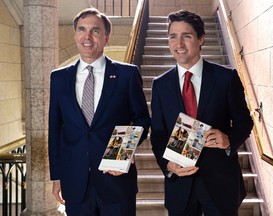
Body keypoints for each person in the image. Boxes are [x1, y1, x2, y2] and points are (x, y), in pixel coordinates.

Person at [48, 7, 150, 216]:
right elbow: (55, 129)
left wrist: (122, 152)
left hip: (116, 180)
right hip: (75, 182)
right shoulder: (59, 78)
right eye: (82, 29)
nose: (87, 36)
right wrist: (57, 176)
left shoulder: (127, 74)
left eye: (95, 30)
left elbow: (141, 119)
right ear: (75, 35)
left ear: (106, 38)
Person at [150, 10, 253, 216]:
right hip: (180, 183)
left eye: (186, 36)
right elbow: (159, 135)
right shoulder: (160, 85)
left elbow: (244, 122)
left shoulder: (226, 78)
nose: (179, 43)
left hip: (220, 183)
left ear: (201, 39)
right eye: (173, 36)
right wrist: (168, 165)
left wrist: (228, 140)